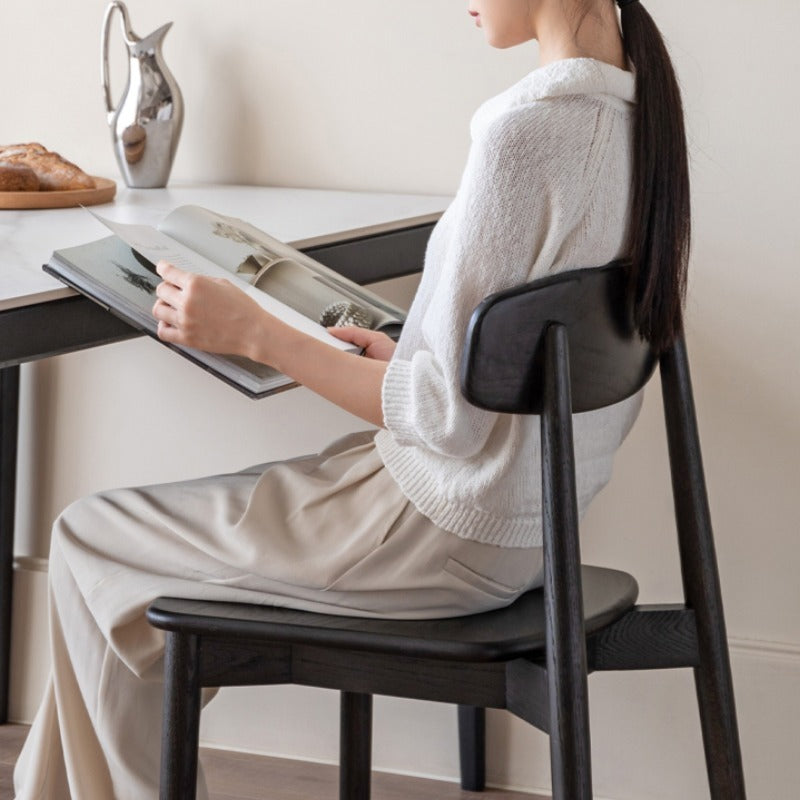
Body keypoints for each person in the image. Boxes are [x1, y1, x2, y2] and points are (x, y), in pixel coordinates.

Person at [14, 0, 690, 797]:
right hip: (529, 525)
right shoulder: (631, 116)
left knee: (91, 538)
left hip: (437, 530)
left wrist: (255, 332)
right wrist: (408, 353)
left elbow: (443, 417)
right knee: (119, 583)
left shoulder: (524, 132)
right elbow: (499, 364)